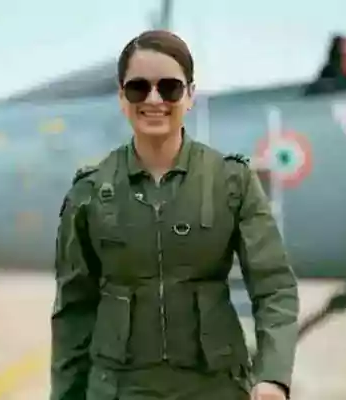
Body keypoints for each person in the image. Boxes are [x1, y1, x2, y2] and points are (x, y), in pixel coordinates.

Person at [50, 29, 299, 400]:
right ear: (121, 97)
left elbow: (274, 286)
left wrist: (273, 376)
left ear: (190, 95)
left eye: (169, 88)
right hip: (119, 390)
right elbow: (74, 311)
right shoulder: (89, 192)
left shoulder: (231, 182)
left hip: (214, 389)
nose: (154, 100)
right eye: (138, 88)